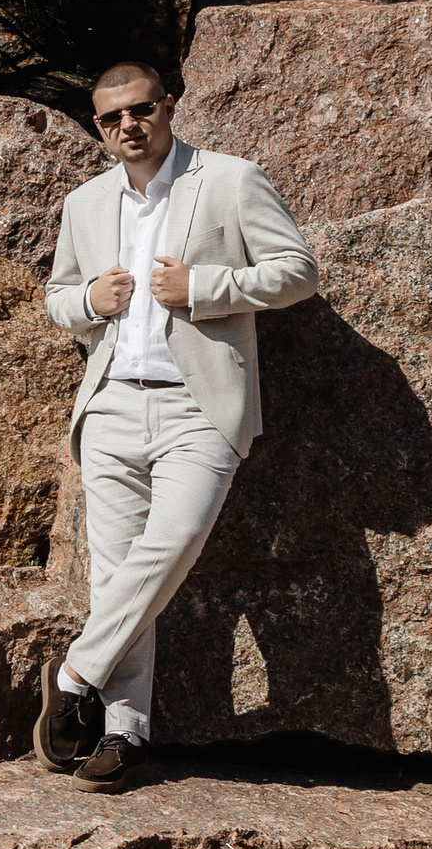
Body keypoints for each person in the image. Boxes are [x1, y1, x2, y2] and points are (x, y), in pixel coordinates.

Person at [31, 64, 320, 792]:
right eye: (111, 118)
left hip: (201, 407)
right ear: (98, 128)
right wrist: (91, 300)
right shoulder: (85, 203)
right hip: (112, 406)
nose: (129, 125)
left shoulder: (228, 179)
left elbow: (299, 270)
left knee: (178, 539)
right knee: (119, 574)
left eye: (141, 109)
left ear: (168, 106)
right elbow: (59, 298)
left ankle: (72, 676)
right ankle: (126, 729)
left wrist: (207, 288)